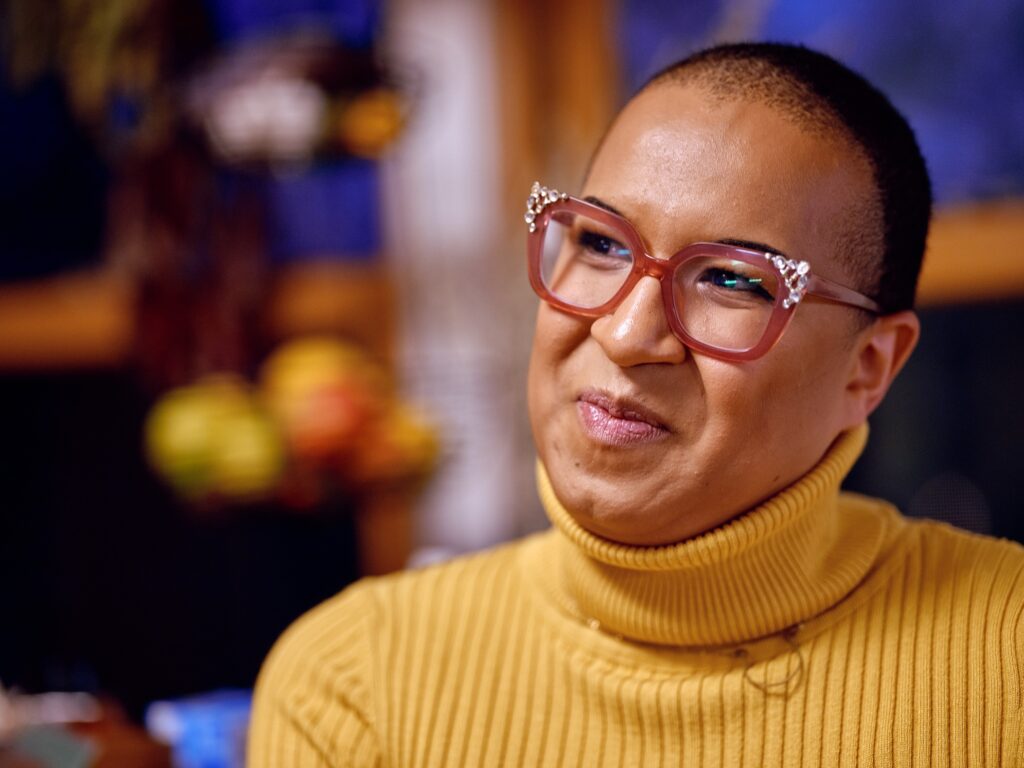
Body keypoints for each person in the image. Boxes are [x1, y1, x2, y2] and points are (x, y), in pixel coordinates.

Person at [248, 43, 1024, 767]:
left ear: (869, 367)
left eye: (732, 280)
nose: (625, 333)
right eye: (601, 244)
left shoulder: (1003, 654)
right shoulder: (359, 682)